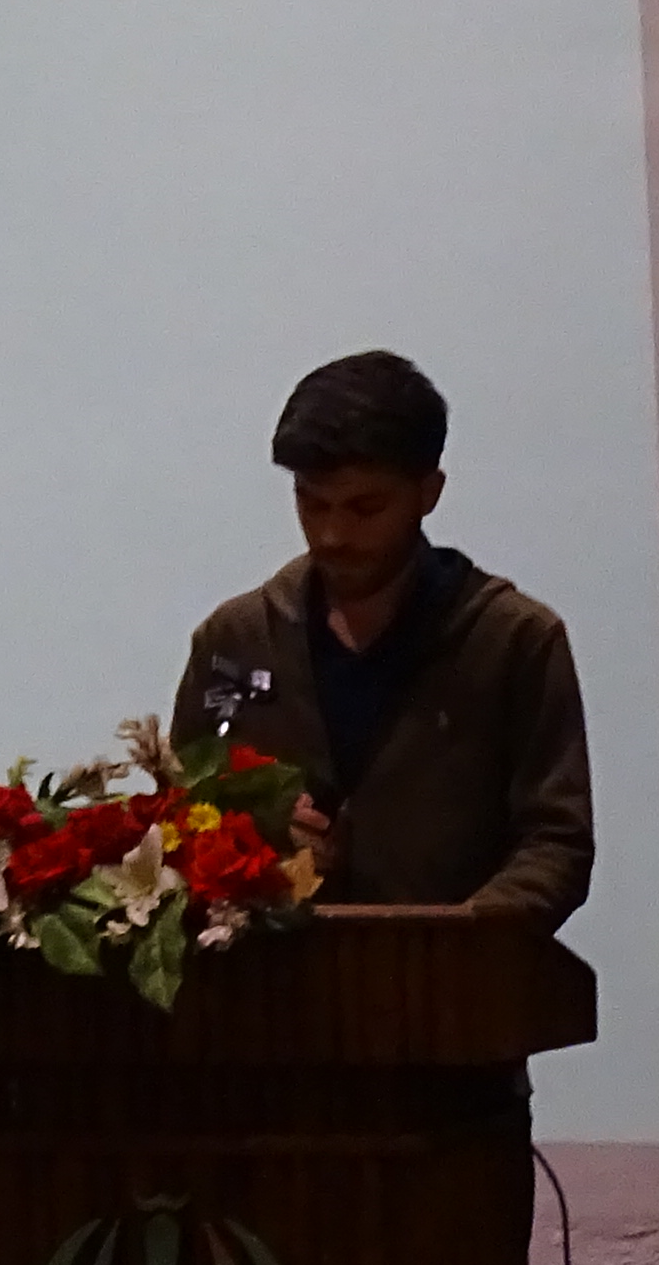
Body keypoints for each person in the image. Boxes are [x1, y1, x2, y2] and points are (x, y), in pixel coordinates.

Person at [175, 349, 592, 927]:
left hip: (454, 978)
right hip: (271, 972)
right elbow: (180, 815)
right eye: (311, 503)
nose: (332, 534)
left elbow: (556, 842)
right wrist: (259, 834)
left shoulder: (514, 641)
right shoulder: (236, 639)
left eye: (364, 508)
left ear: (429, 492)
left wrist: (454, 942)